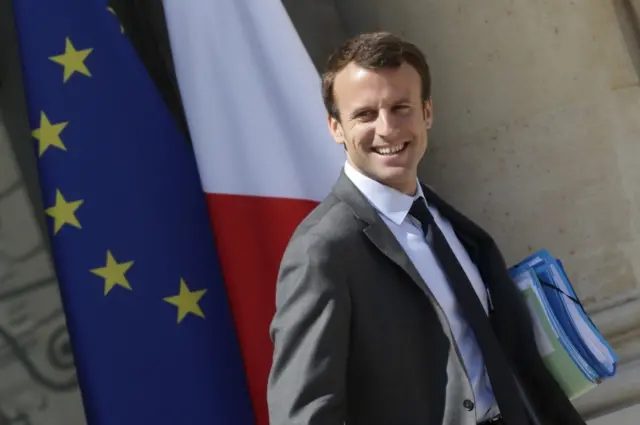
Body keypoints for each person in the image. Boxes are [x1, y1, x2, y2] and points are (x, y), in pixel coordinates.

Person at [267, 31, 586, 425]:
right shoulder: (323, 249)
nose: (387, 128)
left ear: (427, 112)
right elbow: (305, 413)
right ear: (335, 128)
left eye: (401, 107)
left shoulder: (445, 218)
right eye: (365, 114)